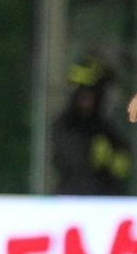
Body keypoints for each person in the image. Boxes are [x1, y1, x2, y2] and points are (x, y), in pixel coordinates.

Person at [52, 55, 131, 195]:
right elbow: (73, 164)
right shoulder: (65, 125)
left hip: (106, 199)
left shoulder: (104, 127)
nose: (87, 101)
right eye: (83, 96)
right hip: (73, 198)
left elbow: (123, 164)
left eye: (92, 95)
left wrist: (109, 160)